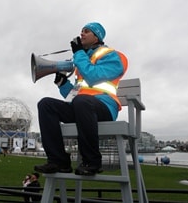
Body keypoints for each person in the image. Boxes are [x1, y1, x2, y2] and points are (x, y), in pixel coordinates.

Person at [34, 22, 128, 176]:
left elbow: (93, 77)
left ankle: (92, 162)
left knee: (82, 102)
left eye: (86, 31)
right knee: (46, 104)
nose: (81, 34)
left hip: (105, 107)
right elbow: (75, 95)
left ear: (97, 37)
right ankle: (58, 161)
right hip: (82, 107)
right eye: (81, 31)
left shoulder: (114, 56)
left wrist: (78, 53)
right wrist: (63, 84)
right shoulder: (82, 60)